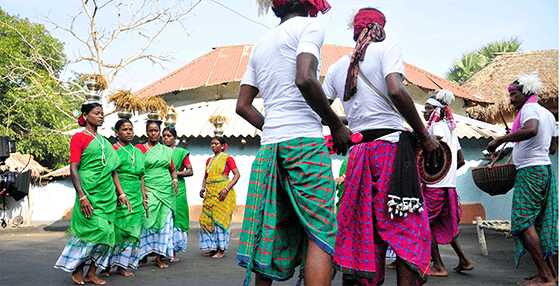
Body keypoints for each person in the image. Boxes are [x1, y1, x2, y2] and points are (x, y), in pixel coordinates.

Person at [322, 7, 441, 285]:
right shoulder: (387, 49)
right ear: (378, 28)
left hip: (359, 153)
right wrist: (424, 135)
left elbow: (321, 110)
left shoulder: (337, 68)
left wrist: (341, 126)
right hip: (391, 151)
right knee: (407, 227)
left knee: (364, 228)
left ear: (356, 31)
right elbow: (396, 90)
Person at [236, 0, 352, 285]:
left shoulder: (261, 43)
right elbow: (304, 78)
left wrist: (275, 127)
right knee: (321, 232)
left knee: (269, 231)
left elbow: (243, 106)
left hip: (270, 148)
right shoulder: (310, 25)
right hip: (305, 146)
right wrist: (336, 125)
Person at [486, 71, 558, 286]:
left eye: (514, 94)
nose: (511, 98)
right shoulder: (548, 114)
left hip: (531, 172)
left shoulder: (529, 109)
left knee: (524, 223)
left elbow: (531, 130)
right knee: (538, 223)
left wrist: (500, 139)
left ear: (526, 93)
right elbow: (552, 148)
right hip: (544, 169)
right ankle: (552, 275)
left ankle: (545, 277)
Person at [54, 102, 131, 285]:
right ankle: (78, 268)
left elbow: (113, 171)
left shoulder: (105, 141)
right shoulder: (78, 138)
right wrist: (82, 196)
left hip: (107, 195)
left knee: (106, 233)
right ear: (85, 115)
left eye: (102, 113)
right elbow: (74, 168)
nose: (101, 116)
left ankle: (91, 272)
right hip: (88, 192)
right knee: (92, 231)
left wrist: (121, 194)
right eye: (97, 113)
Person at [422, 90, 473, 277]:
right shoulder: (452, 130)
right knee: (443, 223)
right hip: (448, 186)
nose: (424, 112)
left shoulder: (436, 128)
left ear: (437, 111)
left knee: (425, 224)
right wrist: (447, 174)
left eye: (428, 109)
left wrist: (434, 173)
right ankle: (464, 260)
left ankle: (438, 266)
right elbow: (459, 160)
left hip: (434, 187)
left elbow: (434, 146)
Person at [99, 119, 148, 277]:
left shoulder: (138, 152)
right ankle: (106, 266)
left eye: (130, 129)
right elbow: (111, 173)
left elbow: (141, 177)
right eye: (124, 129)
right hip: (118, 194)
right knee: (116, 230)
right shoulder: (112, 149)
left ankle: (122, 265)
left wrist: (144, 197)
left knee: (131, 233)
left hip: (136, 195)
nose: (129, 132)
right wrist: (120, 193)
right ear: (116, 133)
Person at [136, 120, 179, 269]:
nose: (153, 133)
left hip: (166, 190)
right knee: (145, 222)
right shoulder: (140, 149)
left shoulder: (167, 151)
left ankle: (159, 257)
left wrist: (175, 180)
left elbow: (172, 169)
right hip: (148, 189)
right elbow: (139, 172)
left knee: (164, 224)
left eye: (156, 131)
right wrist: (141, 188)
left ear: (159, 132)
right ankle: (142, 256)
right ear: (146, 132)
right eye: (150, 131)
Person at [199, 136, 239, 259]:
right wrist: (202, 188)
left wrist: (226, 189)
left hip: (222, 193)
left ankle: (221, 250)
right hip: (210, 193)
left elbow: (237, 174)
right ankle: (212, 248)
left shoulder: (228, 158)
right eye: (212, 143)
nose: (213, 146)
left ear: (222, 145)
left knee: (220, 222)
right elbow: (206, 177)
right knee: (206, 221)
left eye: (216, 143)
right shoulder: (209, 160)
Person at [162, 126, 193, 262]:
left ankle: (173, 253)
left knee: (176, 219)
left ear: (174, 138)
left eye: (169, 135)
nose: (166, 138)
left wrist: (174, 174)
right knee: (162, 219)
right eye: (164, 135)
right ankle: (161, 253)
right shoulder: (158, 151)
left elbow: (190, 171)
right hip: (161, 188)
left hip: (177, 189)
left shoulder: (181, 152)